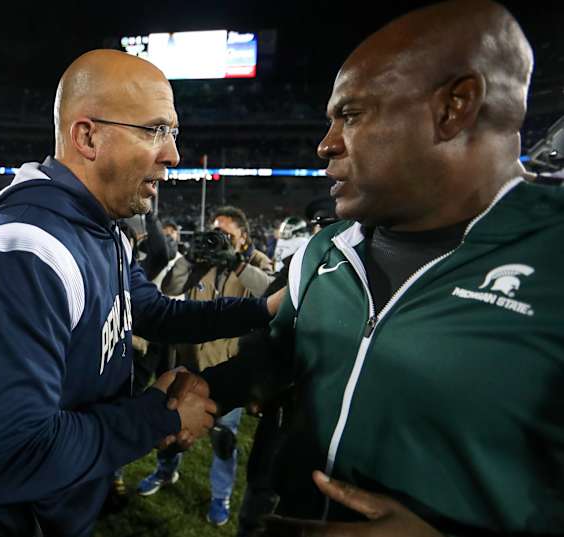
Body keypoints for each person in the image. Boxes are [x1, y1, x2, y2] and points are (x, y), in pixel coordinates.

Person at [169, 1, 564, 535]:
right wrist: (202, 389)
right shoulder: (324, 249)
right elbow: (283, 356)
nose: (325, 144)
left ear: (455, 106)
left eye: (351, 115)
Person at [0, 50, 282, 537]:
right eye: (155, 130)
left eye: (172, 132)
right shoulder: (24, 252)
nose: (173, 153)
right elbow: (8, 458)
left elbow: (150, 310)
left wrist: (259, 310)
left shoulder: (101, 227)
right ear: (87, 136)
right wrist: (159, 414)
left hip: (61, 505)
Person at [137, 206, 273, 527]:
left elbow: (270, 292)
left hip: (227, 372)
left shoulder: (256, 262)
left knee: (223, 439)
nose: (218, 240)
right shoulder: (202, 264)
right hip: (188, 366)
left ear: (243, 239)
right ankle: (165, 472)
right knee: (173, 427)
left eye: (226, 235)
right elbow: (170, 289)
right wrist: (189, 257)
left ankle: (220, 496)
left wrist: (236, 263)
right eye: (215, 233)